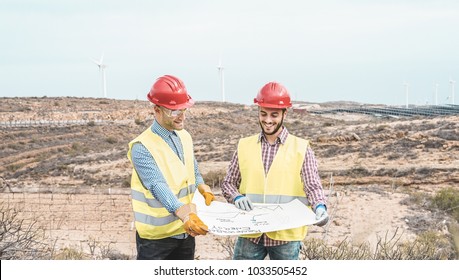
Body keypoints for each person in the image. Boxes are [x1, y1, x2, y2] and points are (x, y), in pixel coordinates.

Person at [221, 81, 329, 260]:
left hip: (285, 236)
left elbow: (312, 184)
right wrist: (236, 197)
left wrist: (320, 206)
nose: (268, 120)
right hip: (251, 232)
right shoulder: (244, 145)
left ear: (284, 114)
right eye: (263, 113)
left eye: (274, 114)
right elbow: (228, 184)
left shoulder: (301, 148)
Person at [127, 74, 215, 260]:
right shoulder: (142, 147)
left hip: (185, 233)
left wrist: (202, 187)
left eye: (184, 109)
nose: (181, 116)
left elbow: (193, 170)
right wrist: (184, 215)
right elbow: (157, 185)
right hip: (157, 240)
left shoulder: (185, 137)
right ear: (156, 110)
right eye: (174, 111)